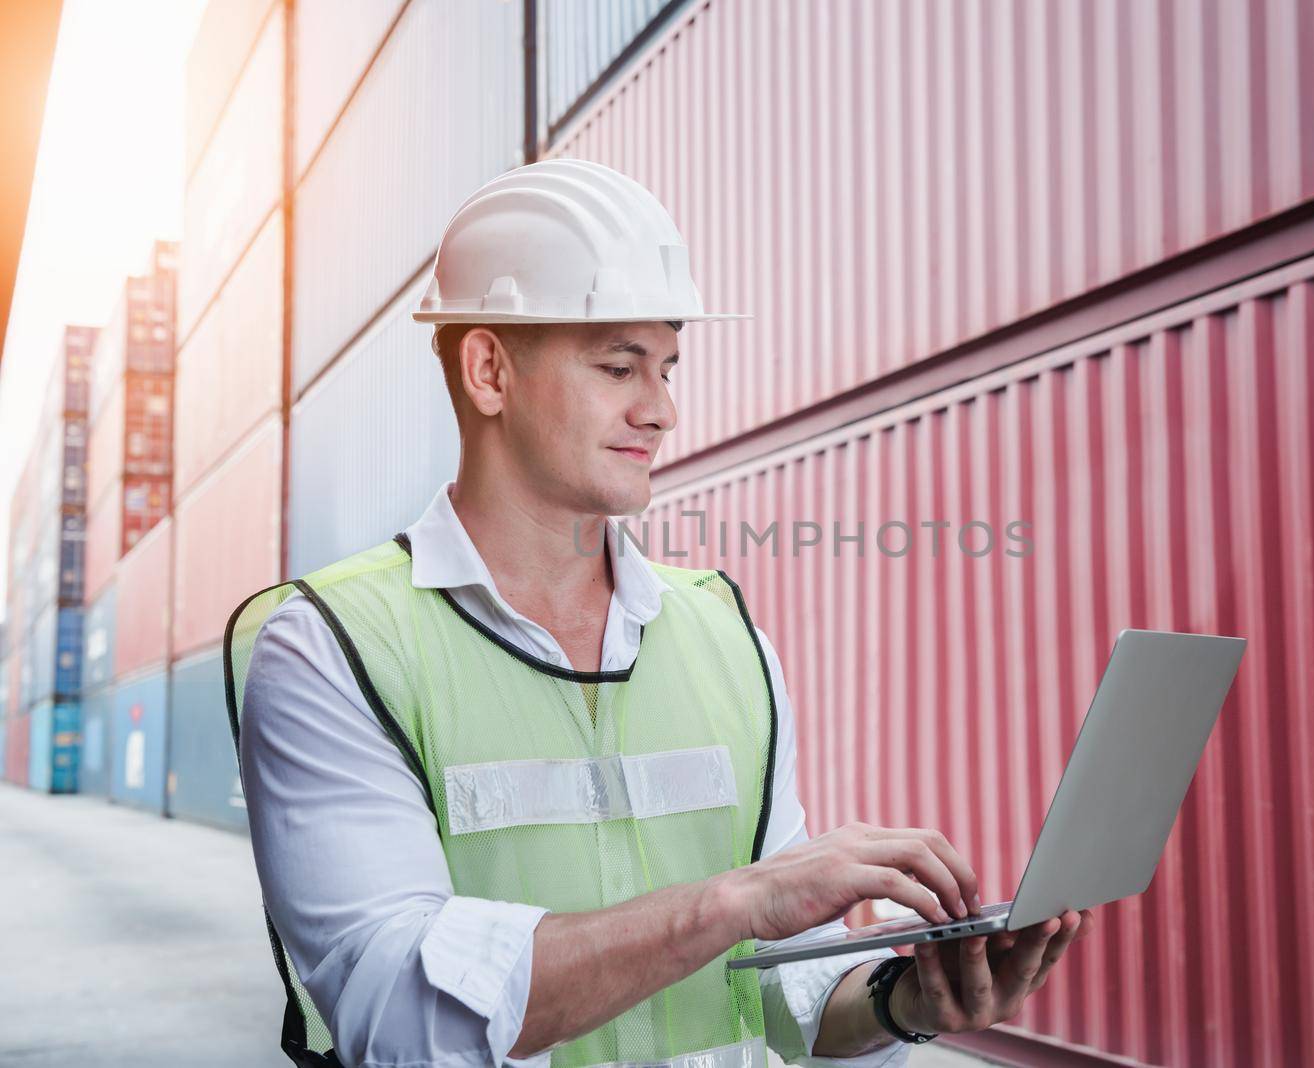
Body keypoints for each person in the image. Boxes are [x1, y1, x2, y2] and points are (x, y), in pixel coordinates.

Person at [227, 158, 1093, 1068]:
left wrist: (901, 1001)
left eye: (669, 367)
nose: (663, 409)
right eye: (619, 366)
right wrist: (730, 903)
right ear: (488, 369)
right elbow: (397, 1013)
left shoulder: (725, 635)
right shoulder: (333, 647)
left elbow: (778, 986)